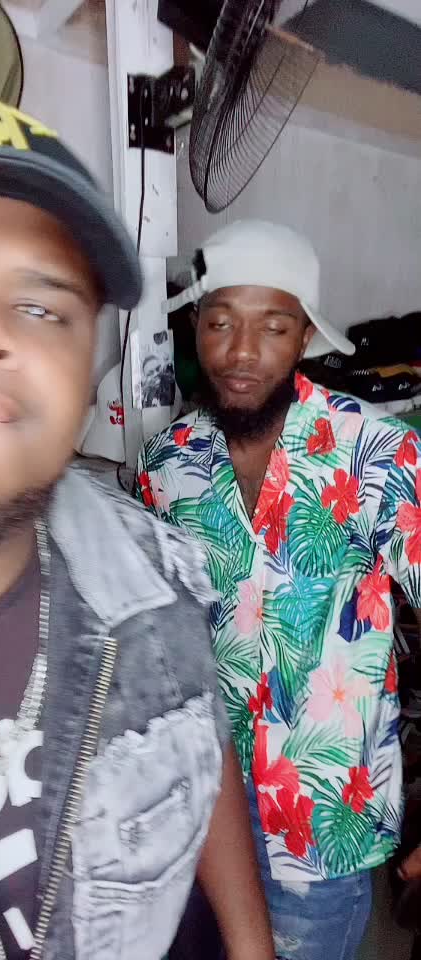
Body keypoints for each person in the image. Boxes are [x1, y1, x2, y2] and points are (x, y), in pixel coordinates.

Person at [0, 100, 275, 960]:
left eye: (41, 306)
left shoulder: (152, 574)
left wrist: (254, 946)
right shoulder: (171, 461)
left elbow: (188, 725)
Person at [136, 219, 421, 960]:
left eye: (273, 327)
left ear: (304, 338)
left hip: (322, 828)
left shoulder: (377, 453)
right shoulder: (166, 465)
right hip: (200, 819)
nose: (241, 352)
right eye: (221, 322)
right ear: (196, 326)